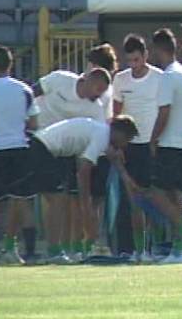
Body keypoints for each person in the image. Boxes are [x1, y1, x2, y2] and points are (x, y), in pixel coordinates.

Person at [32, 67, 110, 264]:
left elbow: (100, 138)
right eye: (98, 88)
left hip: (65, 151)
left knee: (64, 200)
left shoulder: (95, 108)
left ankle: (64, 248)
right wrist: (27, 117)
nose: (99, 94)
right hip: (41, 140)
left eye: (102, 91)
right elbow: (33, 91)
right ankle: (53, 249)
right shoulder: (60, 79)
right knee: (53, 199)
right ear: (88, 80)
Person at [28, 116, 138, 254]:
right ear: (119, 133)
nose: (125, 145)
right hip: (44, 149)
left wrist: (127, 179)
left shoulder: (101, 132)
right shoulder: (102, 135)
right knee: (58, 200)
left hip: (45, 149)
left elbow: (113, 157)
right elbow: (83, 170)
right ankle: (54, 251)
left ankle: (59, 249)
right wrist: (85, 206)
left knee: (56, 200)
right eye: (127, 139)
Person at [148, 28, 182, 262]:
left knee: (157, 194)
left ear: (159, 50)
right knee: (177, 196)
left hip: (170, 144)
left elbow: (164, 111)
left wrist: (153, 139)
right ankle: (181, 249)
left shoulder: (169, 75)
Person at [65, 43, 118, 261]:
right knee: (88, 202)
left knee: (82, 202)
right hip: (96, 149)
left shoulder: (91, 86)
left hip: (87, 148)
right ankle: (88, 244)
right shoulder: (104, 88)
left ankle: (82, 245)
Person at [112, 34, 163, 263]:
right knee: (132, 201)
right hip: (130, 147)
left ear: (145, 56)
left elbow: (165, 111)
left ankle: (155, 249)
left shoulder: (160, 78)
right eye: (129, 60)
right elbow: (115, 114)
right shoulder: (121, 80)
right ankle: (135, 250)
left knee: (153, 198)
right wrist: (117, 144)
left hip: (152, 146)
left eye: (137, 60)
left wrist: (157, 141)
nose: (133, 65)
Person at [0, 45, 39, 265]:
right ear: (11, 64)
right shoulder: (24, 89)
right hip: (19, 149)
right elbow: (34, 123)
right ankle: (30, 253)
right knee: (23, 203)